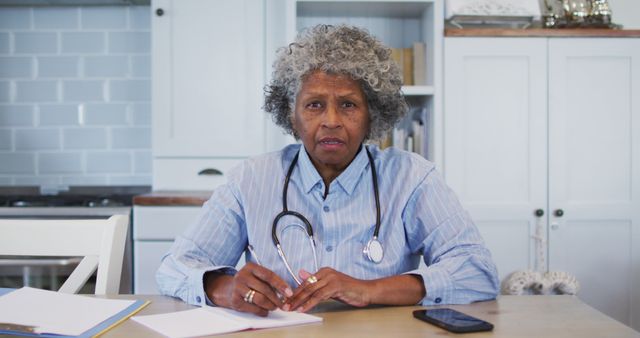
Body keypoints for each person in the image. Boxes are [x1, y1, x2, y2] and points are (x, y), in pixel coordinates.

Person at [157, 24, 499, 316]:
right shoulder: (251, 179)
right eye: (314, 105)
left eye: (348, 105)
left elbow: (478, 272)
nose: (331, 121)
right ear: (292, 115)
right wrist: (224, 287)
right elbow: (175, 268)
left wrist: (369, 290)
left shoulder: (411, 178)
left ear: (372, 115)